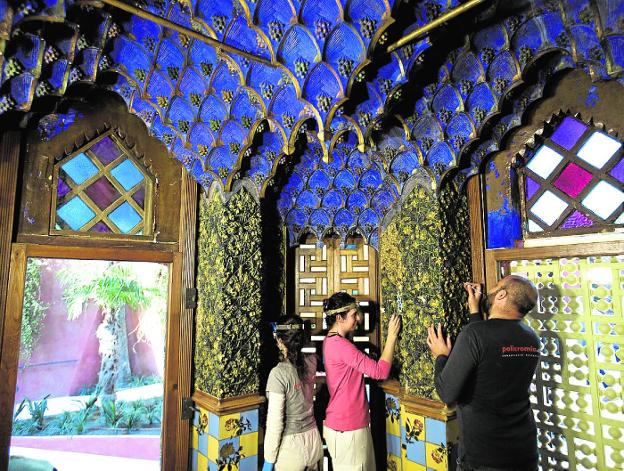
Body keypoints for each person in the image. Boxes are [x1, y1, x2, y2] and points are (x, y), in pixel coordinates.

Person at [427, 276, 540, 471]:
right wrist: (474, 311)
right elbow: (489, 356)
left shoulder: (475, 335)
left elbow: (446, 393)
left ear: (502, 294)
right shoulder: (532, 339)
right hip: (525, 452)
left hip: (485, 457)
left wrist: (441, 356)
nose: (490, 290)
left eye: (495, 287)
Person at [322, 292, 401, 470]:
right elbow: (380, 372)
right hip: (349, 428)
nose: (358, 318)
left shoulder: (331, 341)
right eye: (353, 315)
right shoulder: (342, 346)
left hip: (342, 426)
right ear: (339, 318)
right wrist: (392, 337)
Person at [263, 315, 323, 471]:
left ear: (280, 342)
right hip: (314, 441)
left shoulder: (278, 374)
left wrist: (269, 460)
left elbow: (275, 423)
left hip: (291, 450)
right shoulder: (311, 362)